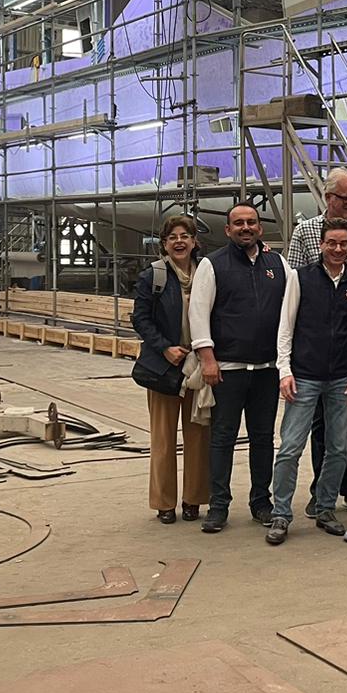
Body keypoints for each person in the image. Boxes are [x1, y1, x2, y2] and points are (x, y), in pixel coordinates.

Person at [284, 168, 347, 517]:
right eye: (346, 198)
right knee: (320, 426)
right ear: (328, 198)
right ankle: (320, 490)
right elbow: (292, 284)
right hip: (316, 347)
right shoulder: (306, 232)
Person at [188, 201, 288, 533]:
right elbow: (198, 313)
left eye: (251, 222)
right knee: (222, 438)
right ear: (228, 230)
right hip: (227, 369)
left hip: (267, 369)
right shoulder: (212, 265)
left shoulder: (278, 264)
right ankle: (219, 506)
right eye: (239, 223)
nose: (246, 227)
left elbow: (291, 310)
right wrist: (207, 358)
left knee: (263, 438)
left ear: (260, 227)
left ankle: (261, 502)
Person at [267, 219, 347, 544]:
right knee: (290, 447)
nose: (337, 249)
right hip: (304, 377)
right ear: (321, 244)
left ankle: (325, 509)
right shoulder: (301, 277)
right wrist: (285, 370)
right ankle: (281, 514)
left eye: (343, 244)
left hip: (342, 379)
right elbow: (286, 326)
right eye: (331, 243)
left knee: (338, 448)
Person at [130, 215, 210, 524]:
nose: (179, 241)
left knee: (198, 435)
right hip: (165, 367)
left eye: (184, 236)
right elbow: (140, 318)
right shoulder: (155, 275)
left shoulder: (206, 273)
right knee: (163, 438)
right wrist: (165, 347)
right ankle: (164, 503)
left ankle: (193, 499)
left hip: (197, 365)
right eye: (172, 237)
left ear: (194, 241)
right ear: (164, 244)